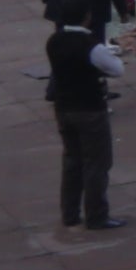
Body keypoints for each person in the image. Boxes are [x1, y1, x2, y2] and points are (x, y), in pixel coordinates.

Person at [43, 21, 115, 234]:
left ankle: (70, 213)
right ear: (86, 16)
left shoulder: (54, 41)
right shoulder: (90, 45)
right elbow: (116, 68)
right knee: (96, 163)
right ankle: (96, 215)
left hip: (64, 108)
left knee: (72, 161)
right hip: (90, 109)